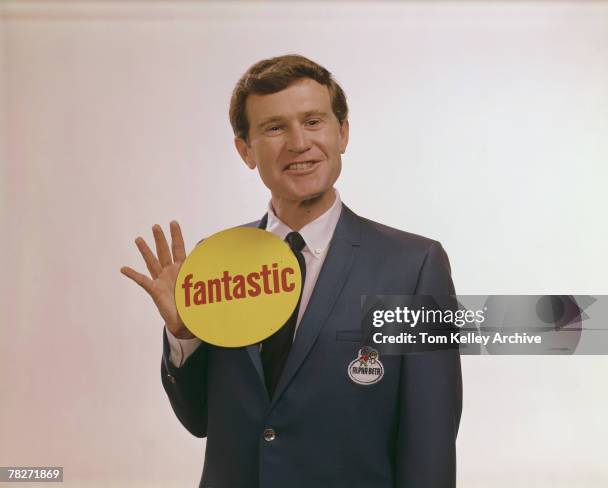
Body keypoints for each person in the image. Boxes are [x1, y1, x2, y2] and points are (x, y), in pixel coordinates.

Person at [120, 54, 462, 488]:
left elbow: (429, 444)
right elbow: (199, 419)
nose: (299, 143)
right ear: (245, 150)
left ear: (343, 133)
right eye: (275, 127)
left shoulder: (414, 266)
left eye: (314, 121)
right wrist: (185, 334)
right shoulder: (215, 263)